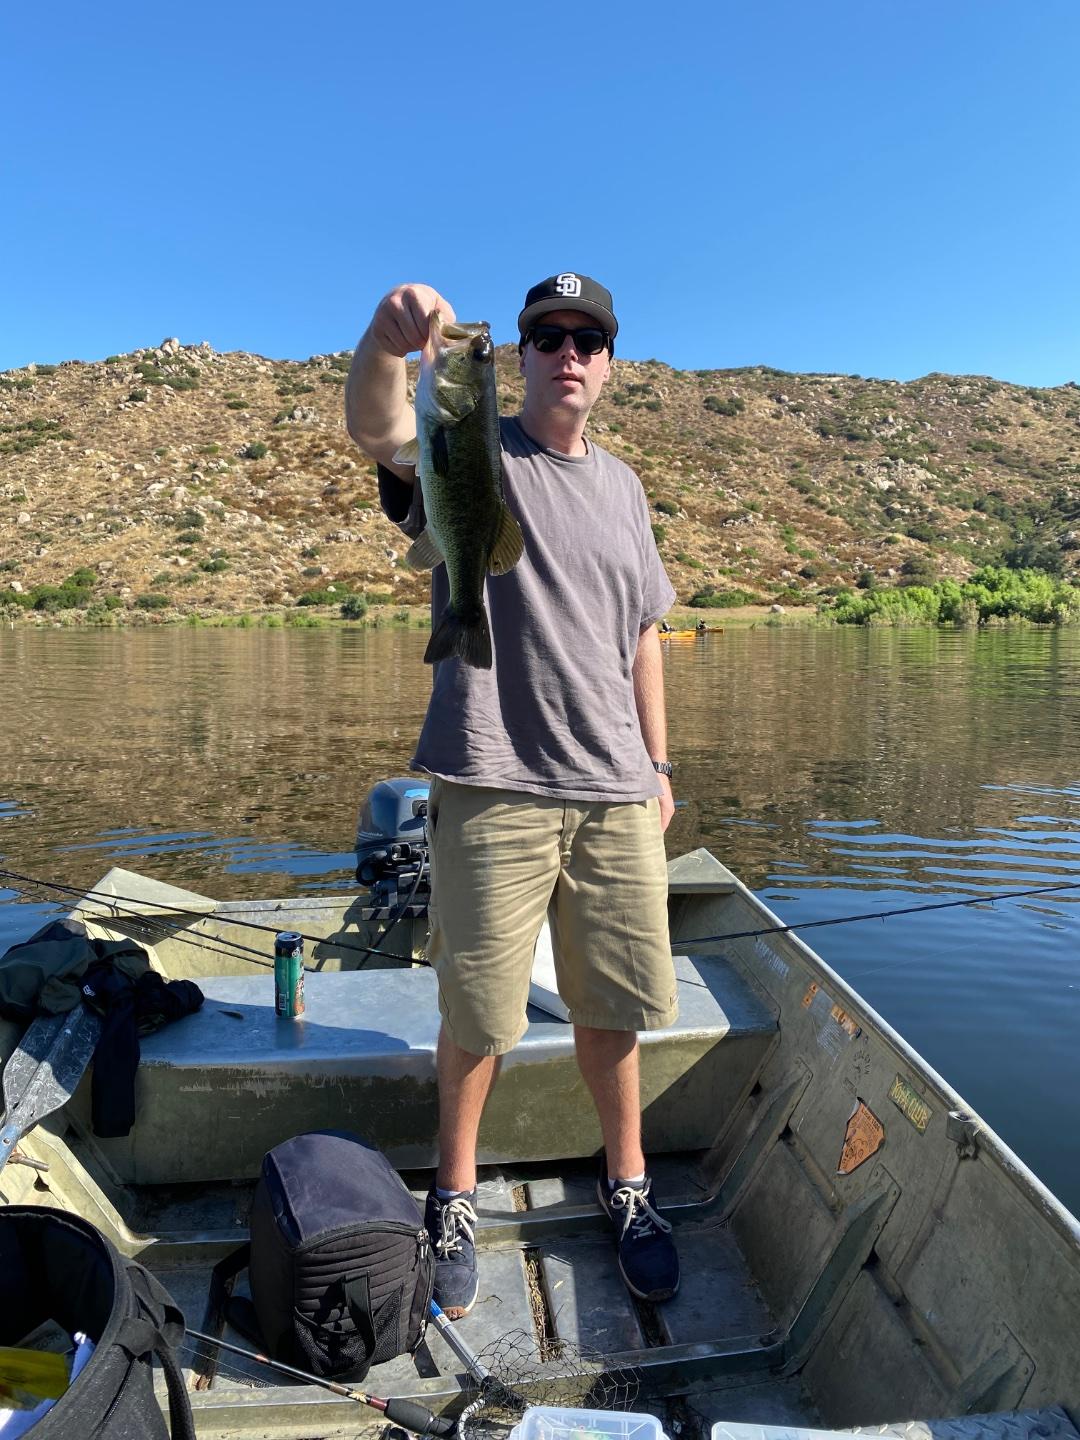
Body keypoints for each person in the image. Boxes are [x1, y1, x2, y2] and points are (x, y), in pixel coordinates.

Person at [344, 273, 680, 1315]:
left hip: (617, 787)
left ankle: (628, 1186)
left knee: (614, 1010)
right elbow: (379, 430)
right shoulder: (473, 444)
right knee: (481, 1015)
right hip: (492, 775)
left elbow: (645, 632)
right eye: (547, 337)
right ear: (523, 357)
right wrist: (386, 340)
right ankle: (453, 1196)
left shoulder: (625, 487)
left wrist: (660, 767)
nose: (567, 353)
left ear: (609, 363)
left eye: (587, 339)